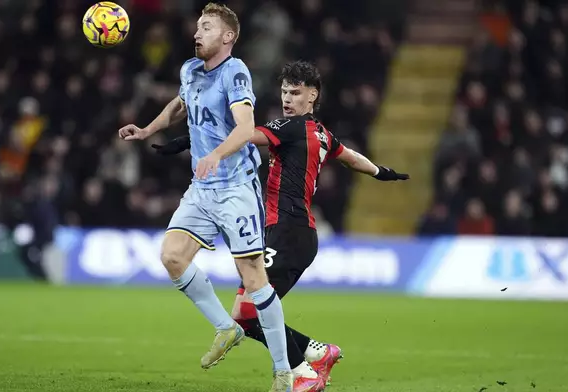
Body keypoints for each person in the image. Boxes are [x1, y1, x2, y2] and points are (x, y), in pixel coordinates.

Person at [152, 60, 409, 392]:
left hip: (290, 230)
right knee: (248, 312)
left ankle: (306, 369)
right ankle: (314, 355)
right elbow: (350, 156)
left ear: (312, 95)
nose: (288, 98)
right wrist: (380, 172)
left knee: (247, 313)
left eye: (296, 92)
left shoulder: (288, 127)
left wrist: (186, 141)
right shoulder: (322, 133)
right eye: (285, 91)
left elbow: (243, 135)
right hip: (291, 232)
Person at [118, 4, 293, 391]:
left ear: (228, 37)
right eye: (198, 26)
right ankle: (225, 328)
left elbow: (246, 128)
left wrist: (214, 155)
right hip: (202, 189)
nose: (197, 33)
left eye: (207, 27)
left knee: (253, 279)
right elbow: (181, 104)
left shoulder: (236, 72)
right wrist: (148, 130)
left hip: (236, 188)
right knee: (172, 256)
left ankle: (283, 370)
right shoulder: (189, 69)